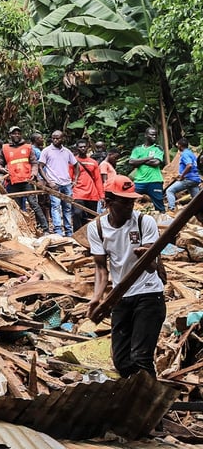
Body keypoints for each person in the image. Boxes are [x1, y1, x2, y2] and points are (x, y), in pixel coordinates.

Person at [87, 175, 166, 378]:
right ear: (108, 202)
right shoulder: (96, 228)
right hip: (121, 296)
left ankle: (151, 403)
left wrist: (146, 256)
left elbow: (151, 268)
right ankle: (138, 394)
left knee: (141, 357)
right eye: (124, 201)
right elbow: (101, 269)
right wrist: (97, 297)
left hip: (149, 294)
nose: (129, 206)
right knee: (122, 361)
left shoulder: (144, 222)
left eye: (132, 201)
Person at [2, 126, 45, 228]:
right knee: (16, 207)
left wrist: (34, 173)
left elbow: (34, 163)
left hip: (27, 181)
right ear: (10, 135)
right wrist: (2, 169)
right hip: (13, 182)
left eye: (18, 133)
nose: (16, 135)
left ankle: (45, 228)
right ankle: (21, 228)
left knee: (34, 204)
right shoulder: (5, 148)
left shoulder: (28, 147)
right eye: (14, 133)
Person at [40, 131, 78, 236]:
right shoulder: (46, 151)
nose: (55, 140)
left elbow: (76, 165)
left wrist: (75, 180)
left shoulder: (67, 151)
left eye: (58, 138)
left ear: (63, 138)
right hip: (54, 183)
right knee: (56, 206)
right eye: (53, 138)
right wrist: (48, 182)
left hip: (67, 184)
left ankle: (69, 232)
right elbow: (40, 167)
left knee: (67, 208)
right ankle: (58, 232)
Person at [128, 127, 166, 212]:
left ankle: (162, 222)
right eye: (152, 134)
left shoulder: (158, 148)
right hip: (139, 181)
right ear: (146, 135)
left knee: (159, 205)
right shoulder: (137, 149)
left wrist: (139, 160)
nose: (154, 136)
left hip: (155, 181)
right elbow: (131, 162)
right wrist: (148, 158)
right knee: (128, 201)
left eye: (155, 135)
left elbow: (156, 162)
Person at [72, 139, 103, 230]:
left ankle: (90, 236)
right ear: (77, 148)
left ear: (88, 148)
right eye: (80, 147)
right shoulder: (73, 161)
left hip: (92, 194)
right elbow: (70, 176)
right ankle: (77, 235)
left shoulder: (93, 162)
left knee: (91, 217)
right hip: (78, 192)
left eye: (84, 147)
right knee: (77, 213)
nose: (82, 149)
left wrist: (101, 195)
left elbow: (98, 179)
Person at [167, 137, 200, 210]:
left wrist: (182, 176)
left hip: (188, 179)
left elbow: (189, 165)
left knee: (170, 191)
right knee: (197, 200)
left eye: (178, 144)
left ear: (180, 146)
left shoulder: (185, 154)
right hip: (195, 179)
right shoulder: (191, 153)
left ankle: (171, 208)